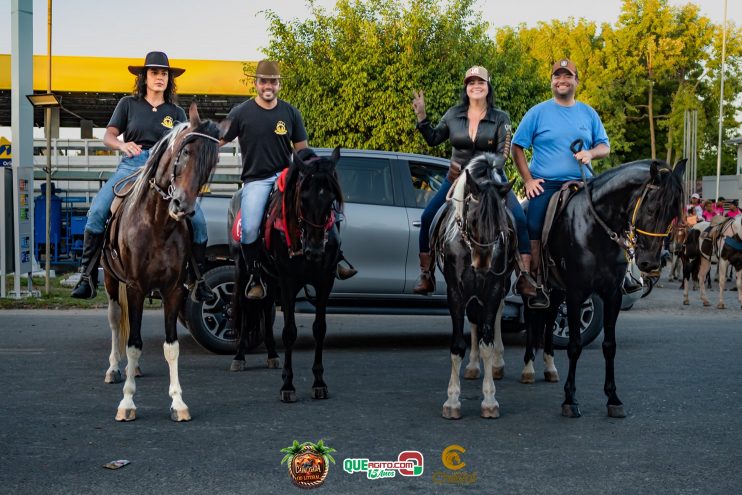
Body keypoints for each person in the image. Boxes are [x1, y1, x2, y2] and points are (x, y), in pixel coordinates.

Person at [71, 51, 213, 302]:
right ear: (144, 77)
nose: (159, 77)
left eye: (164, 73)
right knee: (96, 212)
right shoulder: (128, 104)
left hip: (165, 173)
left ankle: (197, 278)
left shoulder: (177, 112)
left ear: (169, 79)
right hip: (131, 167)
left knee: (198, 221)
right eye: (154, 72)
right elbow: (109, 135)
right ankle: (87, 275)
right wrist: (122, 145)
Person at [220, 60, 355, 300]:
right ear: (256, 84)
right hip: (257, 180)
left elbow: (302, 150)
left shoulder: (291, 112)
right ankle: (254, 276)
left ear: (279, 84)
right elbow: (218, 141)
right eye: (263, 81)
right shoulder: (240, 113)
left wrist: (316, 170)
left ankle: (338, 258)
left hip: (287, 176)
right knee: (250, 227)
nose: (268, 86)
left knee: (322, 209)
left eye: (273, 81)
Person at [411, 65, 538, 299]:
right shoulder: (452, 114)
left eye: (480, 82)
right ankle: (426, 274)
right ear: (466, 88)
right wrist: (422, 117)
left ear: (488, 86)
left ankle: (524, 276)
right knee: (428, 217)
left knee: (519, 219)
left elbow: (503, 154)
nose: (476, 86)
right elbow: (433, 139)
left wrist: (481, 169)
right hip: (456, 179)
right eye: (471, 82)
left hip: (490, 178)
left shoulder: (501, 118)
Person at [511, 58, 626, 304]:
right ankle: (533, 280)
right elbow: (516, 146)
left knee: (616, 217)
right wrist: (529, 180)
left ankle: (625, 275)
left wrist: (590, 153)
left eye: (567, 76)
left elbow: (605, 146)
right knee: (532, 223)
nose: (561, 80)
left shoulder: (588, 112)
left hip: (584, 182)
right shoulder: (537, 112)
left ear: (576, 81)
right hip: (547, 184)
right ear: (552, 82)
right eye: (557, 76)